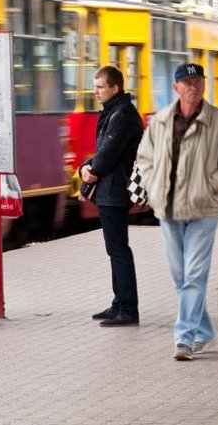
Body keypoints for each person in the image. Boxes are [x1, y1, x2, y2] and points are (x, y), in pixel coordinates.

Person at [135, 63, 218, 361]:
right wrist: (153, 185)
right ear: (176, 87)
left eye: (198, 81)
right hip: (168, 210)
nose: (194, 86)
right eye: (188, 82)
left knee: (194, 276)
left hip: (203, 210)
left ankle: (184, 338)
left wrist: (209, 187)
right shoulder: (160, 121)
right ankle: (205, 333)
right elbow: (144, 159)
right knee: (179, 277)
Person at [79, 65, 145, 327]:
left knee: (118, 250)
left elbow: (108, 152)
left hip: (115, 189)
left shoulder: (122, 115)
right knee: (114, 249)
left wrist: (91, 170)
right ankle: (119, 302)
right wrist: (86, 167)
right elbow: (104, 149)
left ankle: (128, 309)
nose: (95, 92)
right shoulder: (115, 111)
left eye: (100, 87)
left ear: (114, 88)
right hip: (110, 188)